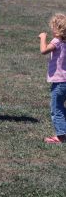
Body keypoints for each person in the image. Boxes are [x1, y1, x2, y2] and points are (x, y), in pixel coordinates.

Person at [39, 13, 66, 144]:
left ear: (58, 29)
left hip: (60, 82)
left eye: (53, 27)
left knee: (57, 108)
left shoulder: (56, 41)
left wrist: (43, 38)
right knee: (61, 106)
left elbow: (44, 50)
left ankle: (60, 137)